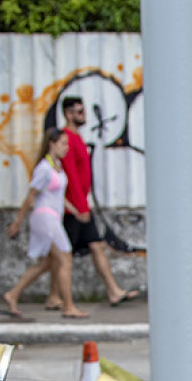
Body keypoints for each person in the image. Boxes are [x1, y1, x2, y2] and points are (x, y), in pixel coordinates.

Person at [58, 94, 138, 307]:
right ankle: (37, 296)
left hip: (81, 205)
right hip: (74, 209)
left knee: (95, 246)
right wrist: (80, 207)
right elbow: (71, 176)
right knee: (55, 259)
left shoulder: (76, 137)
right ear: (68, 114)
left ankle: (113, 290)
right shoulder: (66, 139)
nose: (84, 115)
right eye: (79, 112)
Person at [3, 128, 86, 319]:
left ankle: (13, 294)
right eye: (63, 144)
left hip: (53, 218)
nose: (66, 148)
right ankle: (69, 306)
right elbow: (30, 197)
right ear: (52, 143)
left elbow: (56, 195)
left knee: (47, 262)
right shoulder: (44, 168)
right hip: (45, 218)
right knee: (65, 258)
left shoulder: (56, 166)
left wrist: (74, 210)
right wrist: (17, 222)